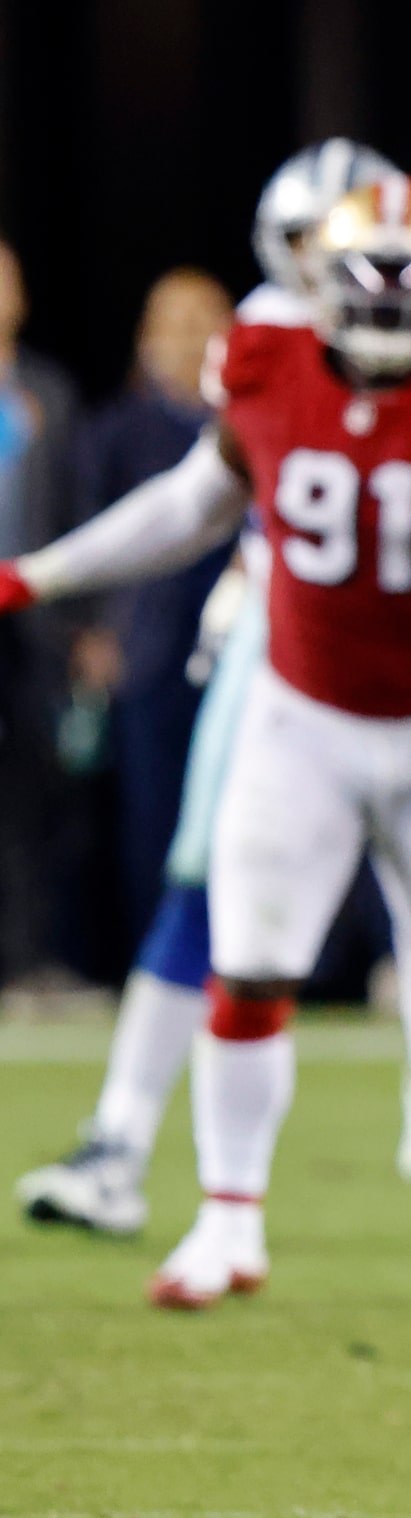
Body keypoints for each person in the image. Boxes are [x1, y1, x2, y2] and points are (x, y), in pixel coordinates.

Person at [0, 174, 411, 1312]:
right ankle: (229, 1221)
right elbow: (189, 506)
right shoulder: (264, 363)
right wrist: (41, 572)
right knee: (246, 971)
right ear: (321, 286)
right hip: (299, 719)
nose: (393, 316)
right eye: (371, 289)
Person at [70, 269, 235, 943]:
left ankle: (263, 958)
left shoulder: (252, 422)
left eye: (207, 319)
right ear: (147, 340)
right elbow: (95, 527)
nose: (193, 337)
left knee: (248, 803)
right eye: (177, 322)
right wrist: (91, 630)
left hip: (244, 641)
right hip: (150, 645)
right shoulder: (116, 431)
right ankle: (160, 957)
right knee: (154, 810)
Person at [0, 238, 80, 984]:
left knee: (31, 795)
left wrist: (82, 622)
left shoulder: (47, 394)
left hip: (27, 622)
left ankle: (29, 962)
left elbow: (73, 511)